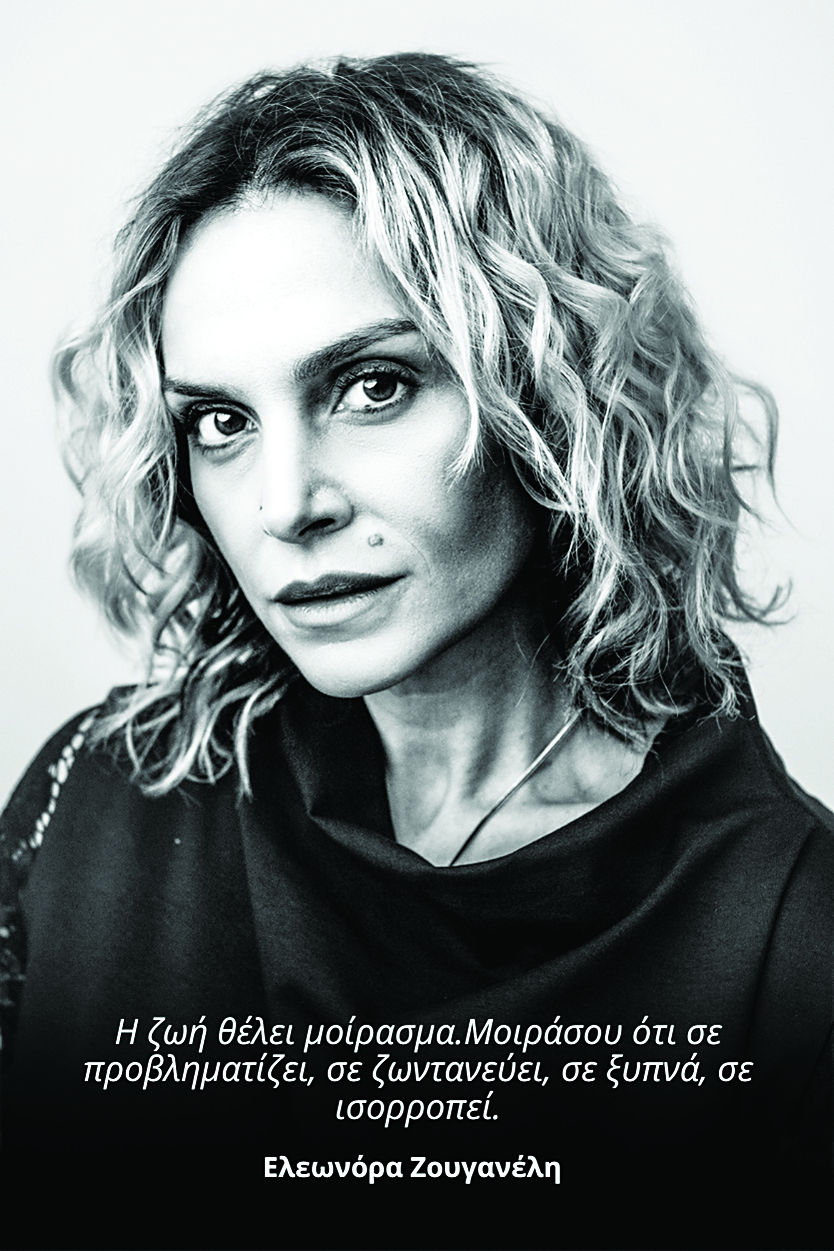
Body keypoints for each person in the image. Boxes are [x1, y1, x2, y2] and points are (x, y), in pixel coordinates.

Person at [1, 53, 831, 1251]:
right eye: (221, 422)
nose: (285, 503)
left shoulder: (785, 933)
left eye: (373, 385)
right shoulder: (97, 803)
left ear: (550, 396)